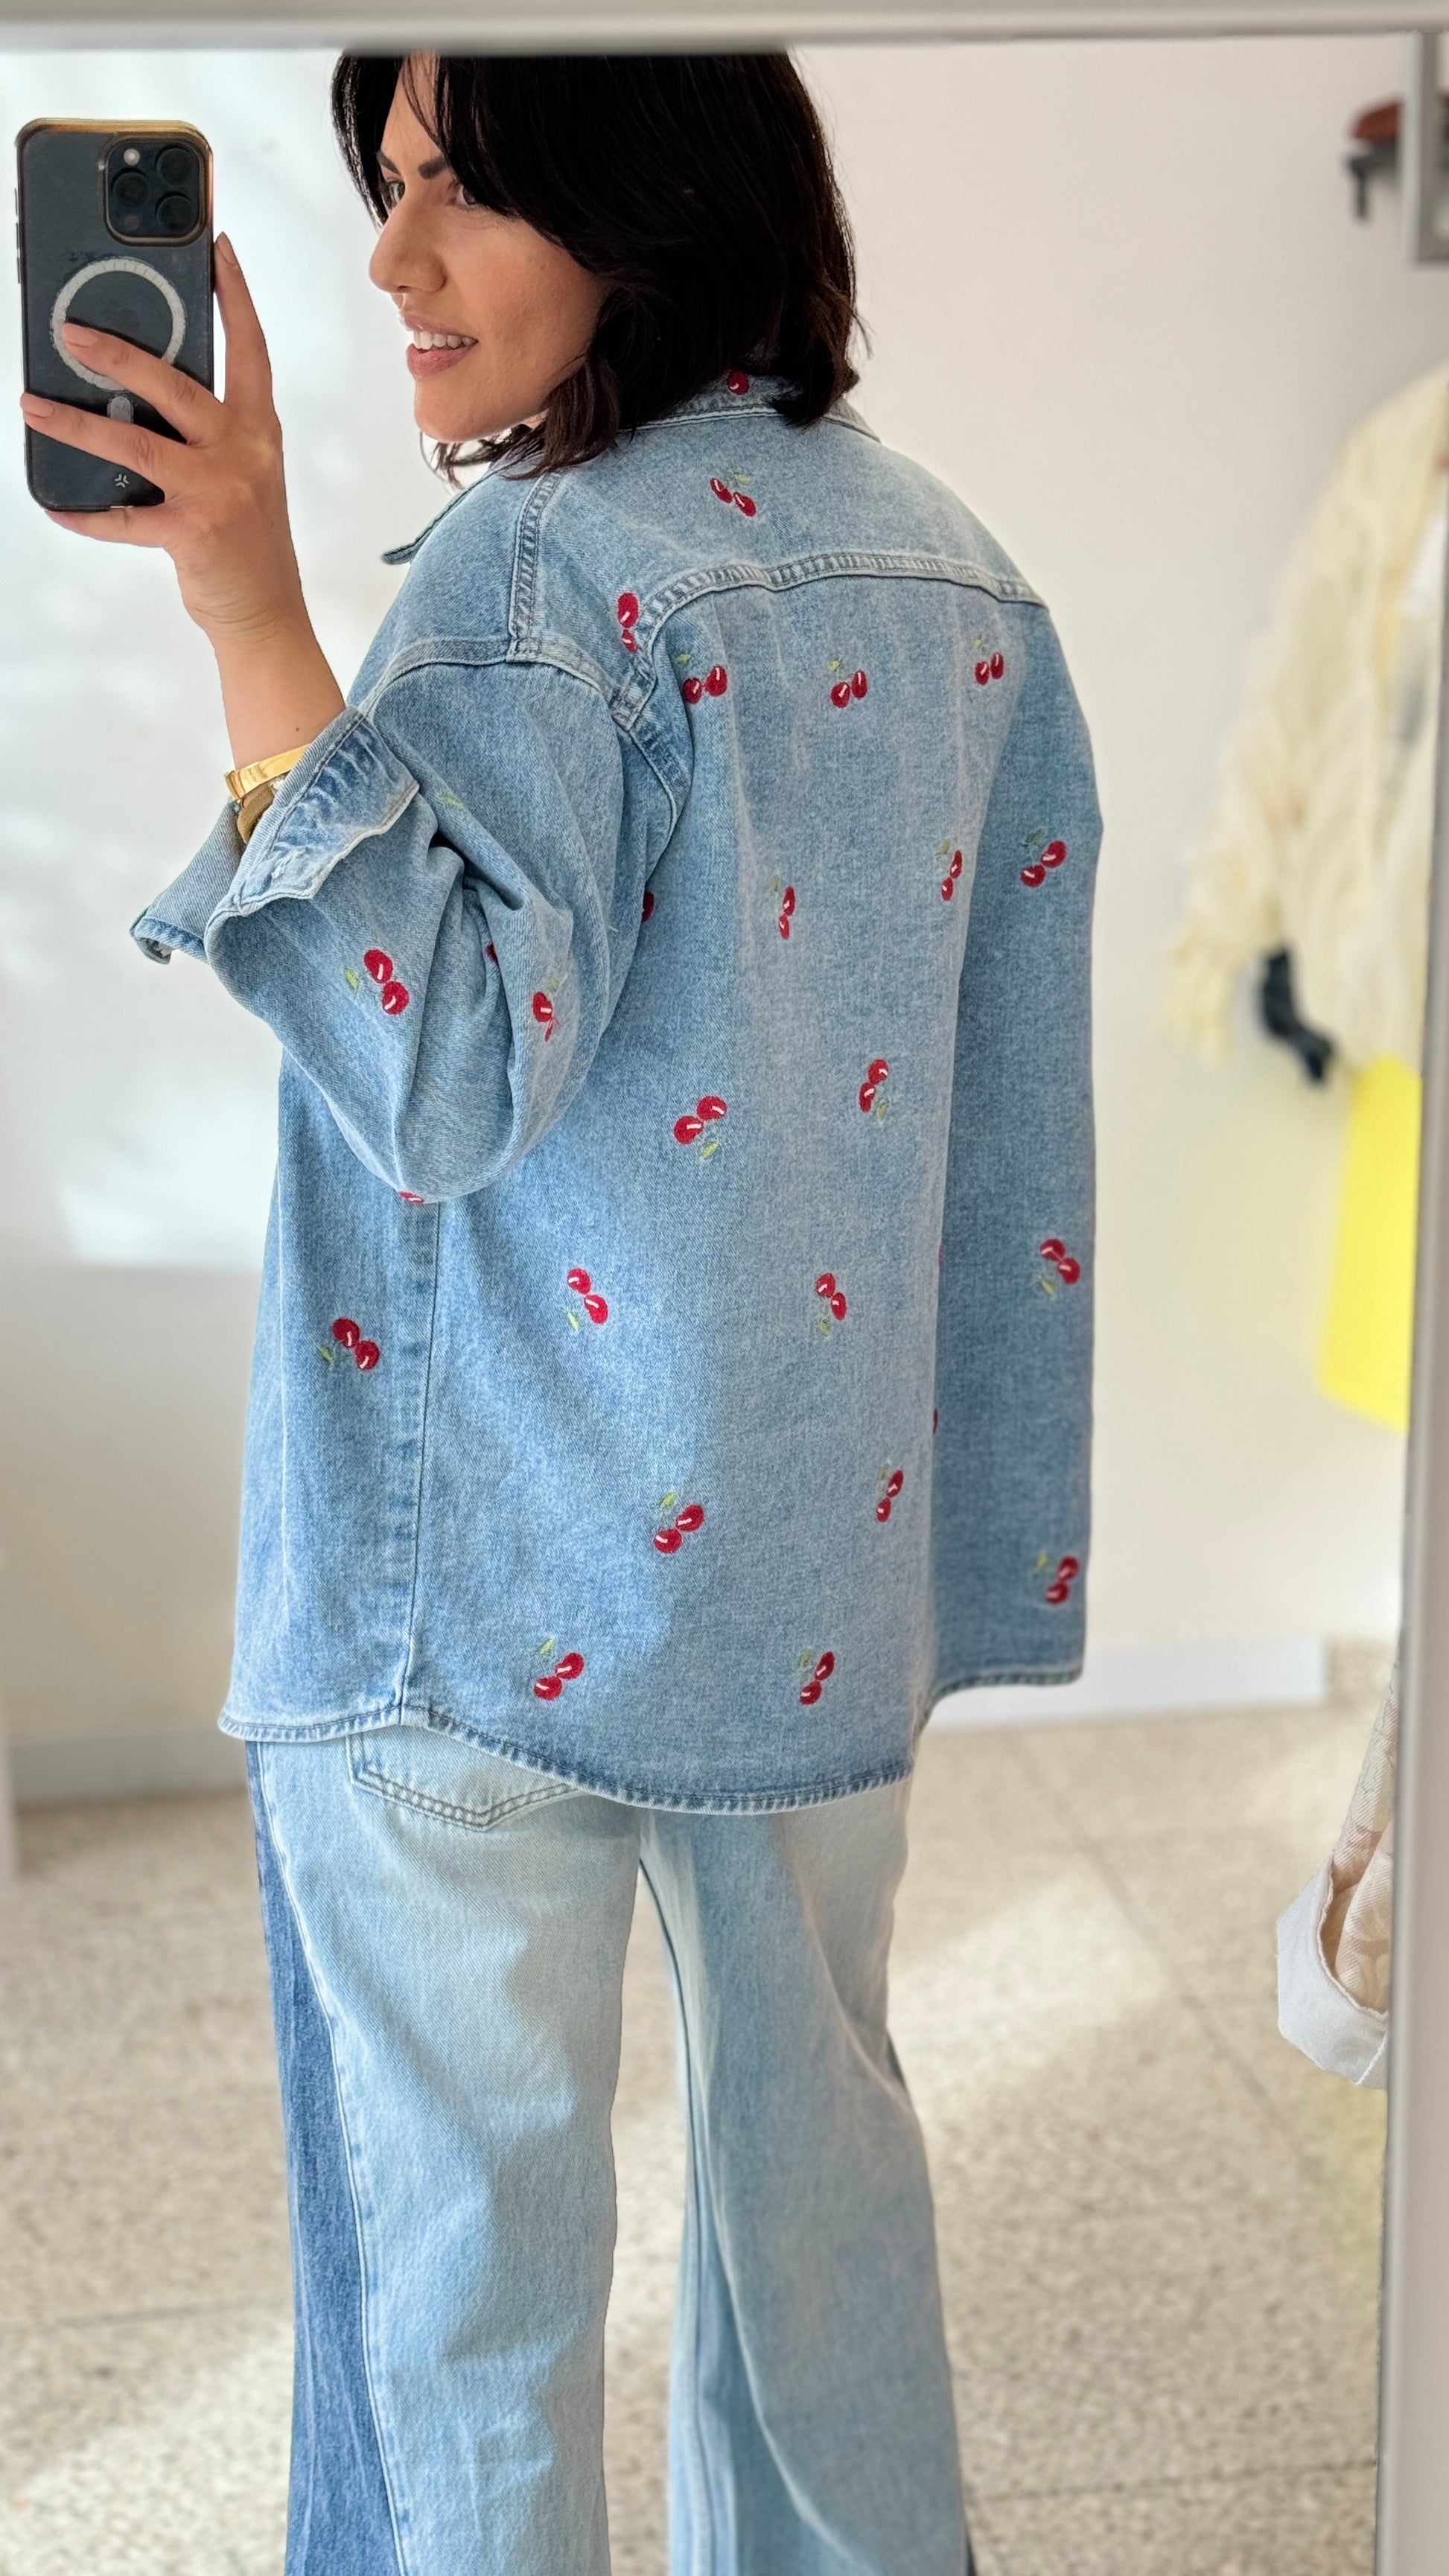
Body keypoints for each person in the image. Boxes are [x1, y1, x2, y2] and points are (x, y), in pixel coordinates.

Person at [22, 53, 1099, 2575]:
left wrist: (247, 609)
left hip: (466, 1596)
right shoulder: (964, 583)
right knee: (817, 2230)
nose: (388, 262)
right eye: (382, 188)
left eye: (458, 194)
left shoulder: (533, 579)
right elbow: (997, 1130)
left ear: (648, 201)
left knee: (458, 2289)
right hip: (806, 1580)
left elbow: (439, 1073)